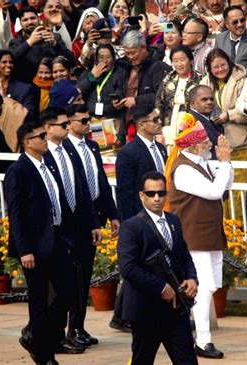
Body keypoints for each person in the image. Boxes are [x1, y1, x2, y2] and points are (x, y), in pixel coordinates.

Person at [5, 121, 76, 364]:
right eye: (40, 136)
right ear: (27, 142)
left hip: (55, 240)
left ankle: (35, 334)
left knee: (69, 294)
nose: (46, 139)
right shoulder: (19, 171)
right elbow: (15, 214)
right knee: (38, 300)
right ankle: (44, 355)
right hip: (33, 247)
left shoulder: (49, 166)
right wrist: (24, 250)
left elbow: (59, 202)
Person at [165, 113, 233, 359]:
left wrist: (226, 162)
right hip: (193, 234)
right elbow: (215, 192)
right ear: (194, 143)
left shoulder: (201, 161)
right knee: (202, 287)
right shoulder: (183, 169)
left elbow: (226, 185)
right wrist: (224, 162)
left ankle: (197, 335)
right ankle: (203, 340)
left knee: (211, 285)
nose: (209, 143)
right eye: (205, 139)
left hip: (208, 232)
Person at [117, 171, 198, 365]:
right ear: (141, 195)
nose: (157, 198)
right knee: (142, 360)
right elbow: (128, 268)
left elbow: (184, 255)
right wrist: (161, 287)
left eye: (161, 193)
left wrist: (192, 278)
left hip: (175, 308)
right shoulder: (131, 227)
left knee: (187, 360)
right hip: (145, 308)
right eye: (151, 193)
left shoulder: (173, 221)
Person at [39, 106, 101, 354]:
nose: (67, 128)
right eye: (63, 125)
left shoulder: (71, 151)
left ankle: (73, 329)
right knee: (59, 288)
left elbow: (83, 190)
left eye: (68, 124)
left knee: (78, 282)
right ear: (47, 128)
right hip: (56, 230)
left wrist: (94, 222)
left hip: (79, 228)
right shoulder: (43, 155)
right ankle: (50, 335)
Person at [63, 104, 120, 347]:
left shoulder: (93, 146)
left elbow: (101, 184)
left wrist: (112, 214)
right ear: (70, 123)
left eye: (89, 120)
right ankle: (68, 329)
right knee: (73, 276)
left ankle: (79, 326)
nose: (88, 124)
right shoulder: (64, 149)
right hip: (75, 221)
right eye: (83, 120)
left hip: (95, 214)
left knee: (85, 274)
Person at [112, 104, 168, 332]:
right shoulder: (129, 152)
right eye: (154, 119)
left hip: (158, 214)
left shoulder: (161, 149)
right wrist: (128, 222)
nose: (158, 122)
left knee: (151, 264)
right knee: (136, 266)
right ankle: (123, 315)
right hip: (138, 217)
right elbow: (125, 191)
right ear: (142, 124)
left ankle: (125, 315)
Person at [119, 31, 170, 143]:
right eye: (127, 54)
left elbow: (162, 95)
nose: (130, 57)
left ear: (143, 47)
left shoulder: (158, 66)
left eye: (133, 53)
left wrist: (136, 100)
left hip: (151, 123)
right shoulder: (126, 66)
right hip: (129, 123)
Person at [9, 6, 76, 84]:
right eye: (25, 20)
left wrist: (55, 44)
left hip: (55, 84)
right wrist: (29, 42)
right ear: (20, 23)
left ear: (39, 19)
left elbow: (72, 61)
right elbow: (11, 60)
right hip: (27, 86)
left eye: (33, 18)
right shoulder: (15, 43)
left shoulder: (54, 37)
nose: (30, 22)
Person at [201, 48, 247, 158]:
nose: (220, 69)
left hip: (239, 142)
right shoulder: (205, 82)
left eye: (223, 65)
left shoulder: (242, 81)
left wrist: (228, 115)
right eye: (216, 67)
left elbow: (246, 110)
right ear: (209, 69)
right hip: (214, 142)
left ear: (229, 63)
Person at [156, 45, 202, 149]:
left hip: (191, 126)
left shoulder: (200, 79)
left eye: (182, 60)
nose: (179, 64)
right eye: (175, 61)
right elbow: (159, 104)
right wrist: (158, 130)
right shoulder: (168, 79)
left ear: (190, 60)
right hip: (170, 124)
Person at [77, 44, 127, 120]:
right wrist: (92, 77)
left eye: (108, 57)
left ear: (113, 59)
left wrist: (117, 101)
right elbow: (77, 91)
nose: (105, 61)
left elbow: (120, 92)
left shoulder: (120, 73)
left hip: (110, 117)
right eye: (101, 57)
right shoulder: (89, 72)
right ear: (96, 59)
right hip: (90, 117)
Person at [214, 5, 247, 71]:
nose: (240, 24)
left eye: (242, 20)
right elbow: (214, 62)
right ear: (226, 25)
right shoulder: (220, 39)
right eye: (235, 22)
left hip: (245, 78)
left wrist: (237, 75)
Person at [188, 85, 223, 158]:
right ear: (192, 104)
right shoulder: (192, 123)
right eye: (204, 99)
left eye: (211, 99)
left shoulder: (206, 120)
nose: (209, 102)